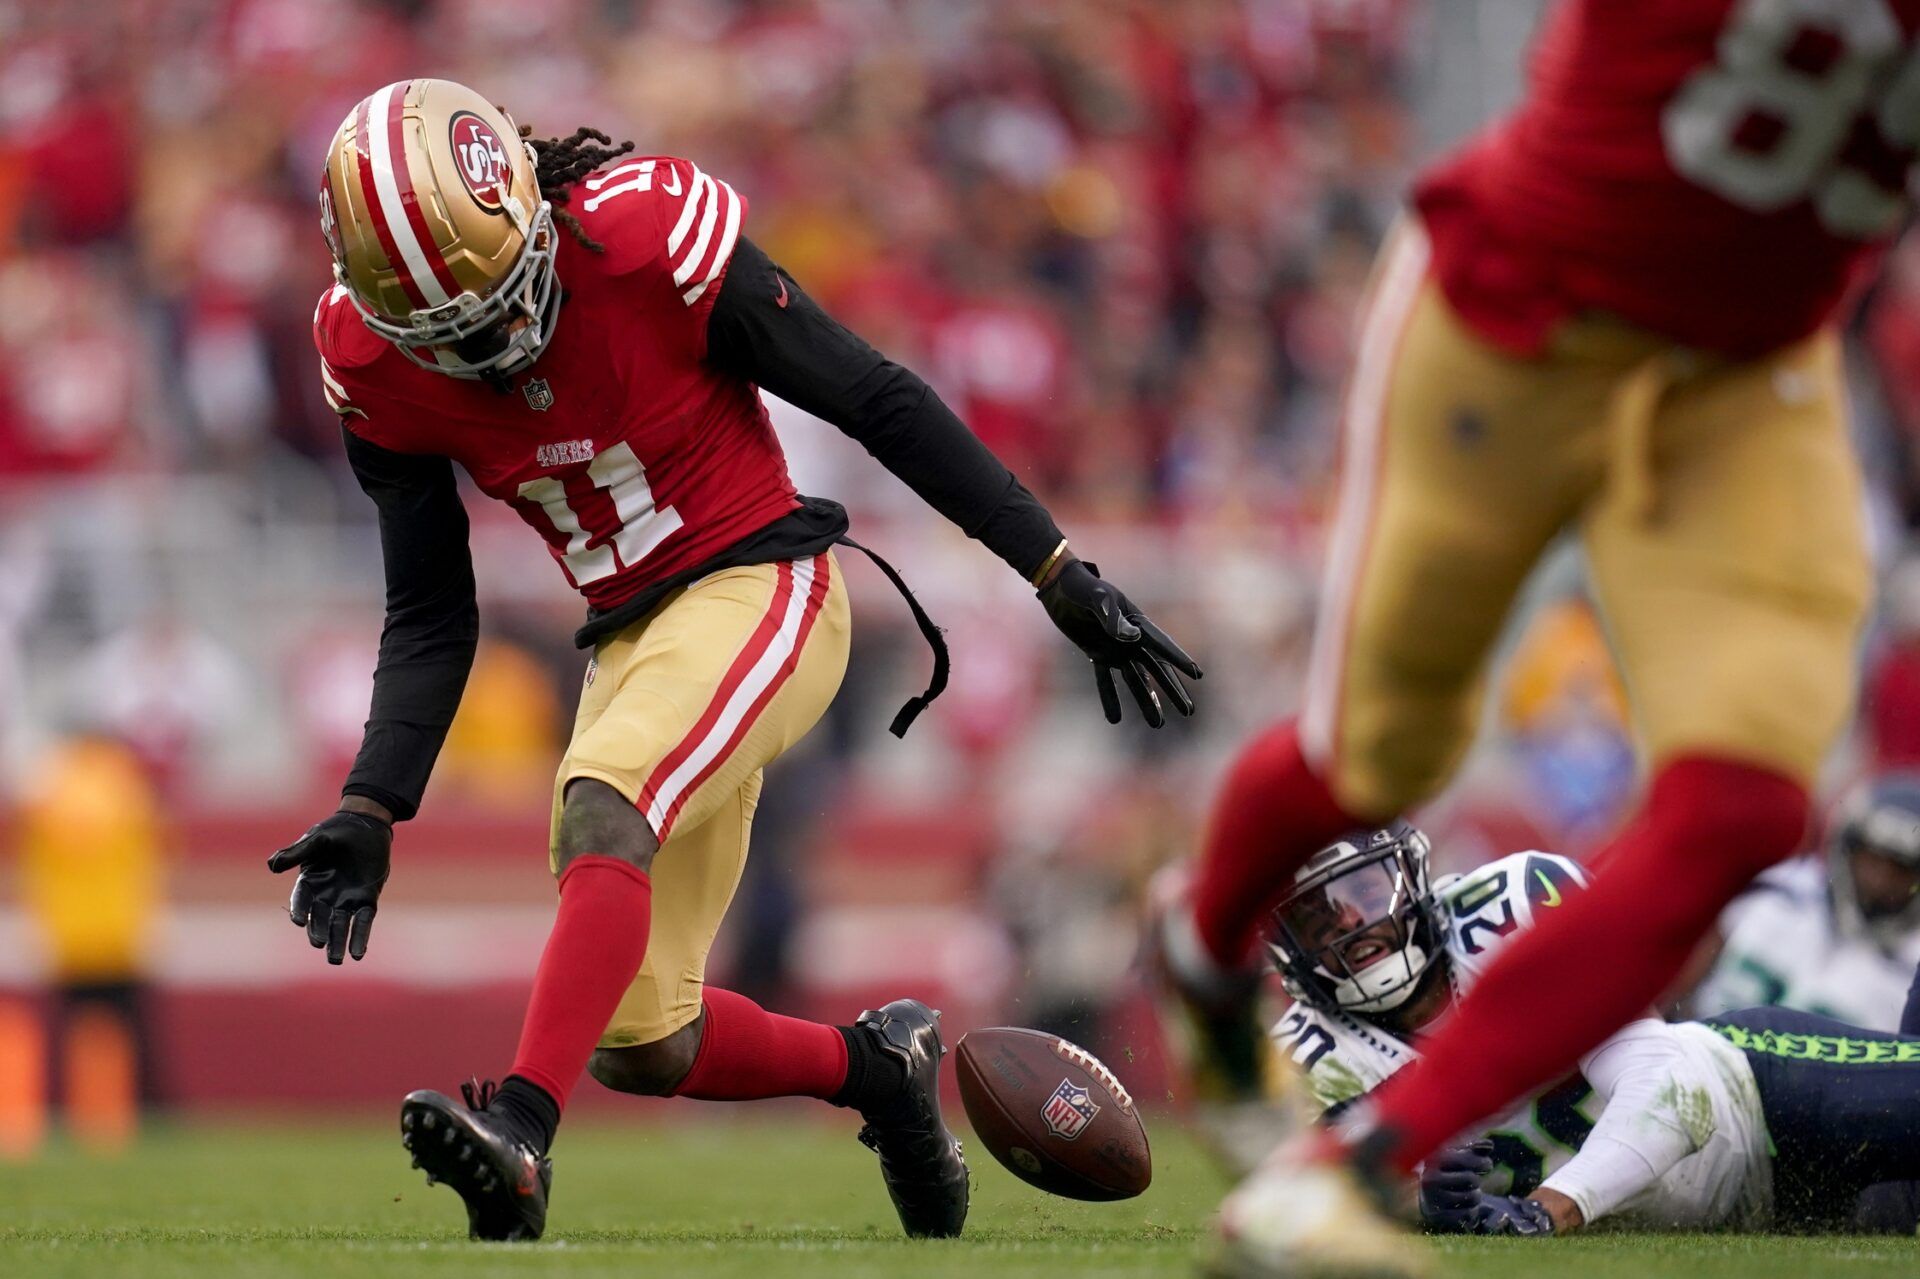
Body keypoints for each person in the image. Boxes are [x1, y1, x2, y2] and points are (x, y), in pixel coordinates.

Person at [268, 79, 1199, 1244]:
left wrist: (1054, 567)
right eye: (450, 336)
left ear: (533, 217)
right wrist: (372, 798)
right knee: (645, 1041)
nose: (493, 349)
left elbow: (874, 394)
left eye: (500, 305)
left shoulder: (647, 237)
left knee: (605, 795)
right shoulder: (368, 360)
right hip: (631, 634)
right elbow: (429, 612)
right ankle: (879, 1070)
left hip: (765, 583)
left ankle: (518, 1134)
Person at [1149, 2, 1900, 1272]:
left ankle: (1341, 1171)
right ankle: (1199, 944)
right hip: (1523, 313)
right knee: (1380, 751)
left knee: (1745, 814)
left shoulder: (1491, 909)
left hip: (1743, 374)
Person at [1268, 825, 1920, 1241]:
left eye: (1359, 890)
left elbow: (1671, 1086)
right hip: (1768, 1214)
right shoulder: (1317, 1054)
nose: (1348, 925)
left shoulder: (1511, 903)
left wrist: (1548, 1210)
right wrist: (1412, 1201)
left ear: (1409, 877)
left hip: (1754, 1101)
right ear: (1287, 950)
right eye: (1315, 921)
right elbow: (1307, 1205)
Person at [1692, 773, 1920, 1030]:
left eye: (1901, 868)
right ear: (1848, 846)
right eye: (1872, 859)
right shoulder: (1775, 889)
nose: (1880, 881)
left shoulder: (1912, 970)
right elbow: (1679, 980)